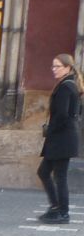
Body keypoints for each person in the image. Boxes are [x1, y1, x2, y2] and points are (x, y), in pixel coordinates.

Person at [37, 53, 81, 224]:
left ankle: (63, 212)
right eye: (53, 66)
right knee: (44, 172)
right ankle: (56, 207)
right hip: (62, 138)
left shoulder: (66, 87)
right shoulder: (68, 85)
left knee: (59, 176)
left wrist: (51, 131)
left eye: (57, 66)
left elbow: (62, 115)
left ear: (67, 68)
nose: (54, 69)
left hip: (62, 139)